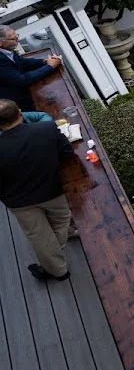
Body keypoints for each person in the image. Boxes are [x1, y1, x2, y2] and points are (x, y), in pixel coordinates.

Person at [0, 99, 75, 281]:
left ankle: (58, 271)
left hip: (19, 202)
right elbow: (67, 153)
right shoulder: (46, 129)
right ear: (20, 112)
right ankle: (52, 264)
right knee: (62, 223)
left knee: (39, 235)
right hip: (52, 191)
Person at [0, 26, 63, 112]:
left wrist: (44, 61)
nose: (17, 40)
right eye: (13, 39)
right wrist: (50, 67)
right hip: (15, 104)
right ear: (1, 43)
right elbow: (22, 80)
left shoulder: (7, 49)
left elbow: (21, 61)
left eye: (17, 36)